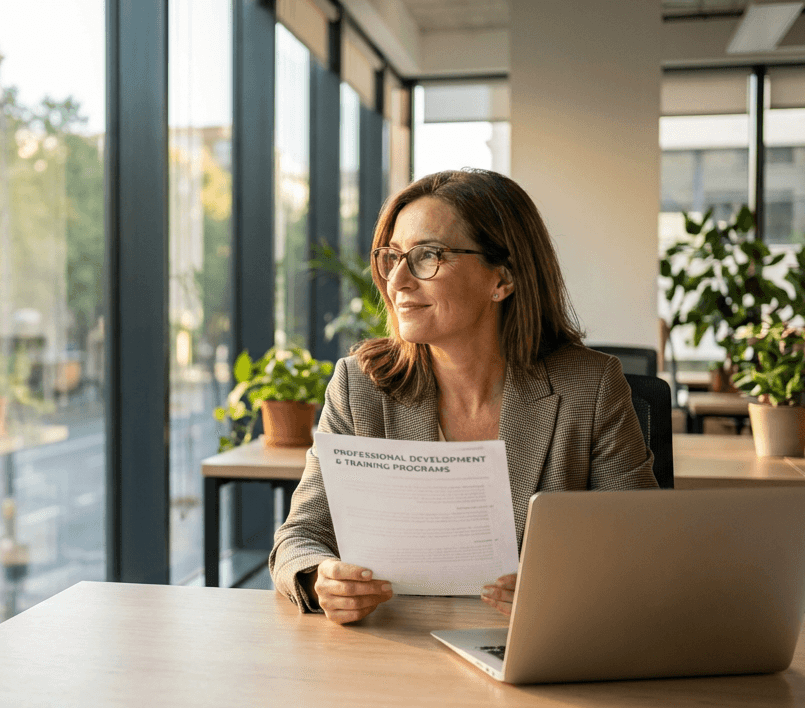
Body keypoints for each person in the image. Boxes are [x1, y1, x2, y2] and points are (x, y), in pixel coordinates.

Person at [268, 169, 658, 625]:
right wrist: (322, 577)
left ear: (503, 279)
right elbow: (299, 537)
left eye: (427, 256)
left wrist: (564, 587)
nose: (397, 281)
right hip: (395, 643)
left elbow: (640, 547)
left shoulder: (589, 388)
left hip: (530, 645)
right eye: (392, 257)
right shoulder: (360, 386)